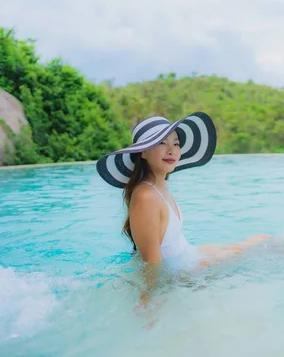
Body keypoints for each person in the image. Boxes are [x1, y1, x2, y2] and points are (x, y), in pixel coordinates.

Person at [96, 111, 270, 307]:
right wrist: (149, 303)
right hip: (184, 272)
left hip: (187, 257)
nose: (171, 150)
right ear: (143, 152)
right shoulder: (146, 196)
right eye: (162, 143)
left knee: (259, 242)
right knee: (262, 245)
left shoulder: (160, 187)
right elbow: (151, 264)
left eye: (176, 143)